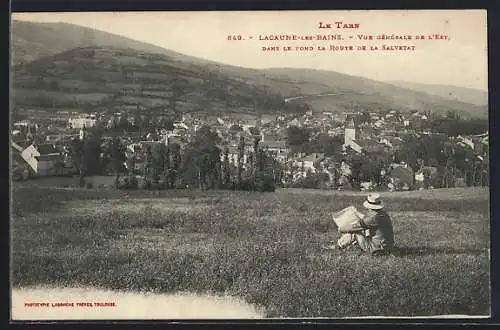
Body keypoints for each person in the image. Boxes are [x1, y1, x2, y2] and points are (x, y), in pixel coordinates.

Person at [322, 193, 395, 255]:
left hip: (378, 249)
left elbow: (355, 227)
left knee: (355, 232)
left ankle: (338, 246)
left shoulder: (373, 218)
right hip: (387, 246)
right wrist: (357, 213)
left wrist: (341, 228)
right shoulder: (382, 214)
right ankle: (347, 245)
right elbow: (367, 220)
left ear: (369, 207)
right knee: (363, 230)